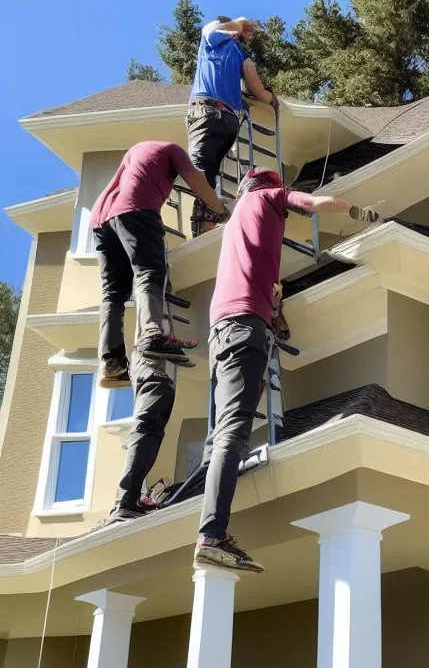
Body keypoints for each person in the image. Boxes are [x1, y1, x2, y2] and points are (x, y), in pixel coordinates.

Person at [194, 167, 380, 572]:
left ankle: (207, 507)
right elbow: (314, 204)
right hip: (245, 327)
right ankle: (212, 534)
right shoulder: (268, 198)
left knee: (227, 423)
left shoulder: (235, 223)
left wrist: (272, 302)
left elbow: (253, 274)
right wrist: (359, 212)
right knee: (234, 431)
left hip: (221, 330)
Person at [92, 141, 228, 388]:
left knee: (113, 292)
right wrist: (222, 209)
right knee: (149, 271)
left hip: (100, 219)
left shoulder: (137, 151)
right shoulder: (172, 149)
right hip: (136, 208)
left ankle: (112, 362)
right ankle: (152, 335)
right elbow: (196, 181)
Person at [187, 16, 275, 228]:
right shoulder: (213, 37)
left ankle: (204, 224)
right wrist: (241, 23)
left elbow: (257, 87)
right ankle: (210, 221)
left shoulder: (237, 53)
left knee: (200, 171)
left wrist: (240, 25)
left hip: (210, 112)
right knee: (209, 175)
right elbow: (260, 91)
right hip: (226, 120)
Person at [95, 351, 176, 529]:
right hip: (151, 369)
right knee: (148, 428)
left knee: (151, 430)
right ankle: (125, 503)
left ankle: (127, 502)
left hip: (150, 369)